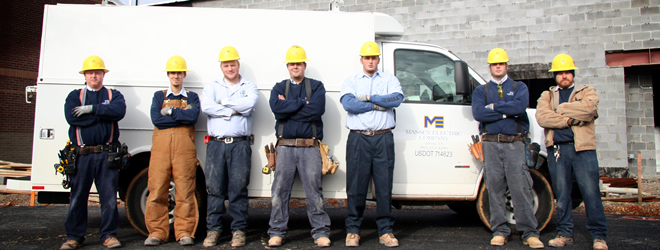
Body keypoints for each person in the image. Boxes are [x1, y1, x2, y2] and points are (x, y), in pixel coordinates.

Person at [471, 48, 544, 248]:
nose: (498, 66)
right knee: (495, 187)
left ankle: (529, 232)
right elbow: (479, 114)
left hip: (515, 143)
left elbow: (519, 108)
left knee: (520, 188)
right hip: (491, 143)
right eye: (495, 64)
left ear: (506, 65)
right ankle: (500, 230)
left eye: (501, 63)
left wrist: (494, 108)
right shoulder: (481, 91)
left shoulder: (519, 87)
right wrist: (507, 112)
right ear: (490, 67)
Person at [536, 54, 608, 250]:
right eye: (560, 73)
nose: (564, 76)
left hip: (583, 150)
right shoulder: (547, 96)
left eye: (567, 72)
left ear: (573, 73)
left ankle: (599, 236)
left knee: (591, 192)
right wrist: (568, 120)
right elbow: (542, 117)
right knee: (562, 194)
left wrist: (561, 109)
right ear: (555, 76)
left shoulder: (587, 92)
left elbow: (589, 110)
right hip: (558, 151)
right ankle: (564, 233)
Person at [339, 41, 404, 248]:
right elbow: (349, 104)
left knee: (384, 187)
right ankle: (353, 231)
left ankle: (385, 231)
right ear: (361, 60)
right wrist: (378, 104)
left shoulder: (389, 79)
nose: (370, 61)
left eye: (373, 57)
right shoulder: (352, 80)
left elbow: (395, 99)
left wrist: (368, 98)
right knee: (356, 187)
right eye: (367, 58)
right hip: (358, 138)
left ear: (378, 59)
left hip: (383, 137)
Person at [266, 45, 331, 248]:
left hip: (310, 147)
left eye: (299, 63)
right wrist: (303, 103)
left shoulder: (317, 86)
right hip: (284, 147)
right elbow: (276, 109)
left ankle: (320, 231)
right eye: (292, 64)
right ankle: (276, 231)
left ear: (304, 65)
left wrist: (290, 107)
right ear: (288, 66)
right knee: (279, 191)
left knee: (314, 191)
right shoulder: (279, 87)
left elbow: (317, 110)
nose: (296, 67)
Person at [60, 55, 126, 250]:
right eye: (90, 72)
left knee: (108, 198)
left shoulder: (114, 95)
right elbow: (71, 118)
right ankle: (74, 237)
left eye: (97, 72)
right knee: (78, 196)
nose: (94, 76)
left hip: (107, 154)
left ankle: (109, 235)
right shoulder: (75, 95)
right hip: (82, 155)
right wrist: (102, 115)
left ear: (103, 74)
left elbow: (118, 112)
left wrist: (91, 110)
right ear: (85, 75)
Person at [201, 46, 258, 248]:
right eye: (226, 65)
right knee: (214, 189)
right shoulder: (212, 86)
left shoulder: (248, 85)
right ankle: (213, 230)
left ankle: (238, 230)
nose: (230, 68)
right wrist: (233, 110)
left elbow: (249, 105)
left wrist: (223, 103)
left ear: (238, 64)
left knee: (238, 189)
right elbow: (206, 106)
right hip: (216, 145)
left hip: (240, 145)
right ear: (221, 67)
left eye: (232, 64)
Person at [143, 55, 200, 246]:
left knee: (185, 190)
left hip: (184, 150)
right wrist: (181, 115)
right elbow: (156, 120)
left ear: (184, 74)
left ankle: (185, 232)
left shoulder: (191, 96)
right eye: (172, 73)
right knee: (157, 189)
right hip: (161, 150)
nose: (176, 76)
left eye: (179, 73)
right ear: (168, 75)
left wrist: (171, 112)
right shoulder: (159, 96)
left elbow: (192, 118)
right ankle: (156, 232)